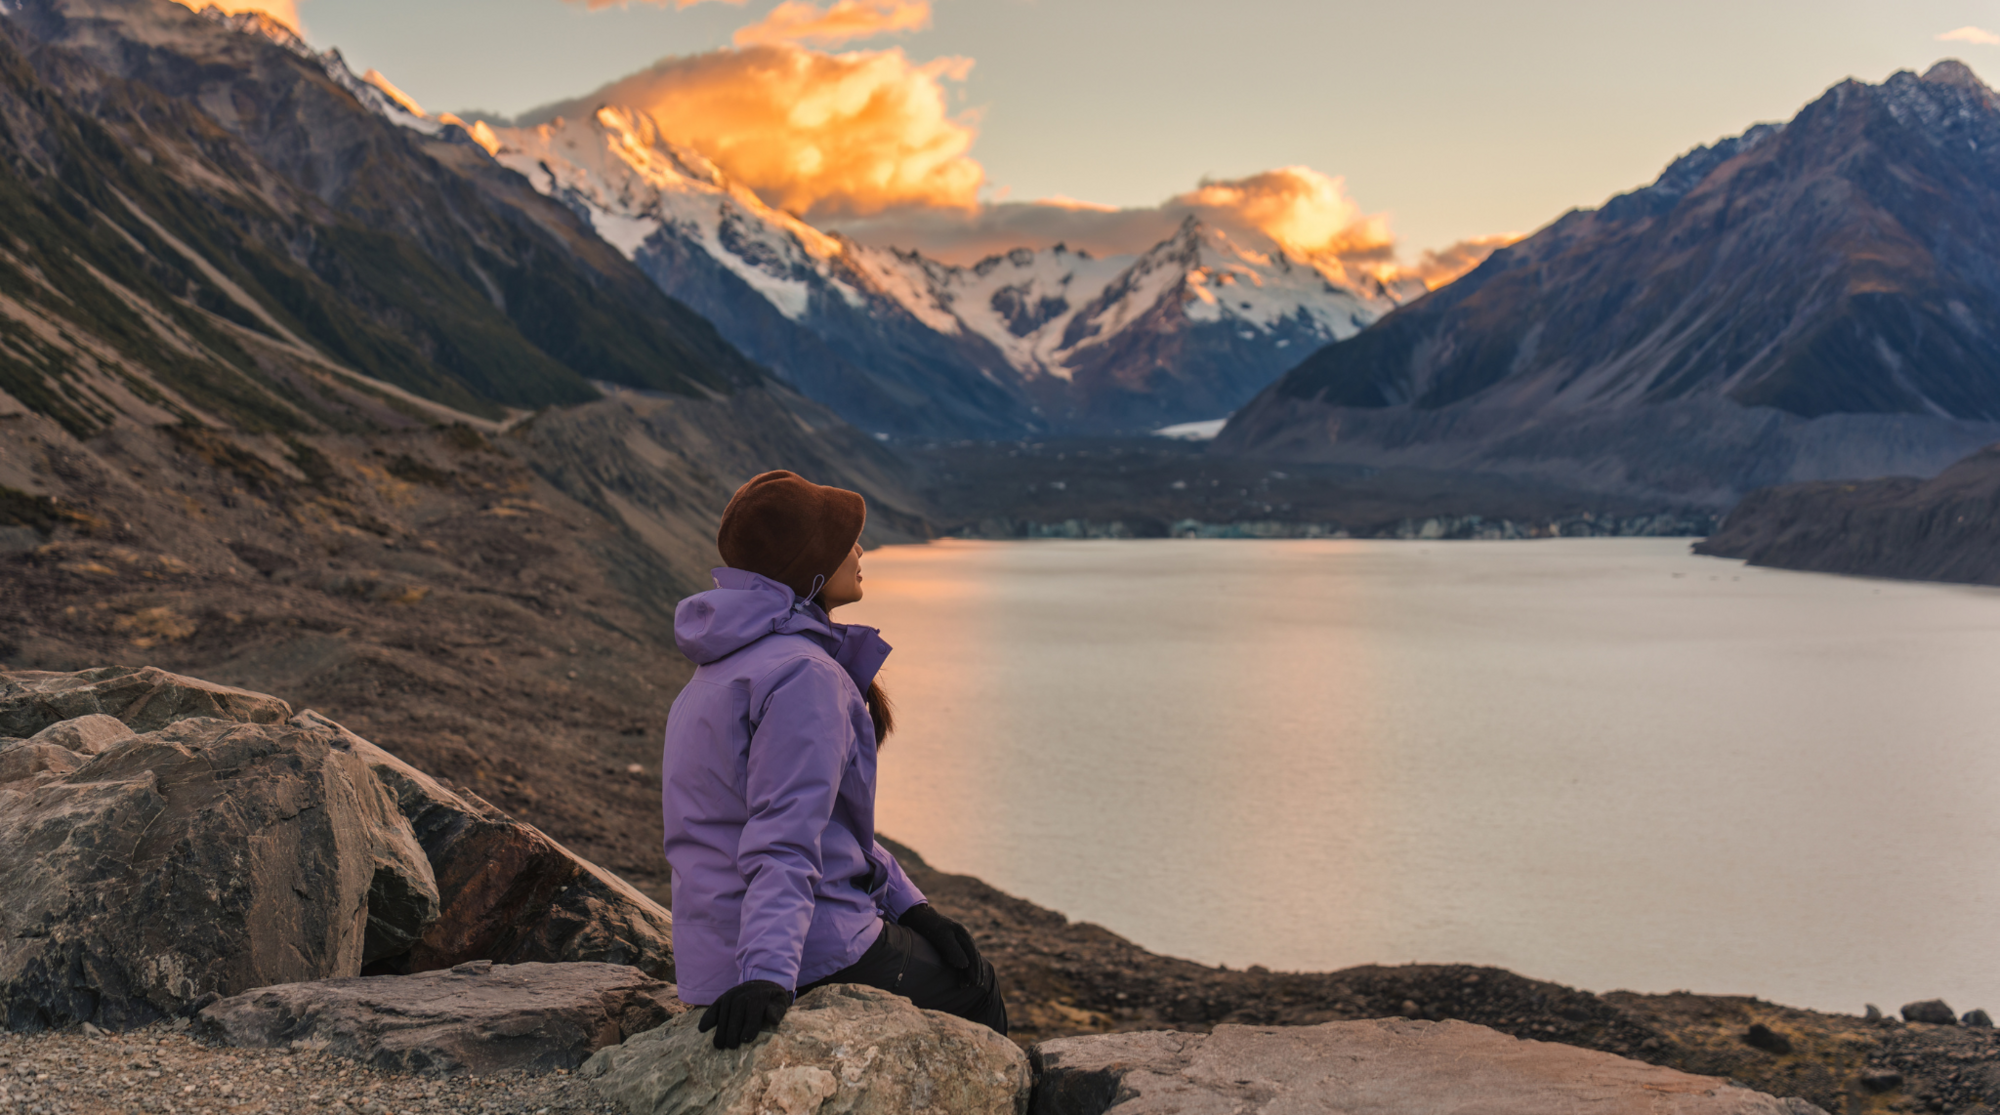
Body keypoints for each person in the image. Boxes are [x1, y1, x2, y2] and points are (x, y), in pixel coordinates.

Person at [661, 470, 1007, 1051]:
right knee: (976, 989)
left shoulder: (725, 664)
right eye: (846, 539)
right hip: (801, 950)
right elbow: (785, 836)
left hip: (717, 952)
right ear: (811, 568)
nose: (860, 549)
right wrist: (768, 975)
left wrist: (913, 909)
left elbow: (812, 823)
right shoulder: (804, 676)